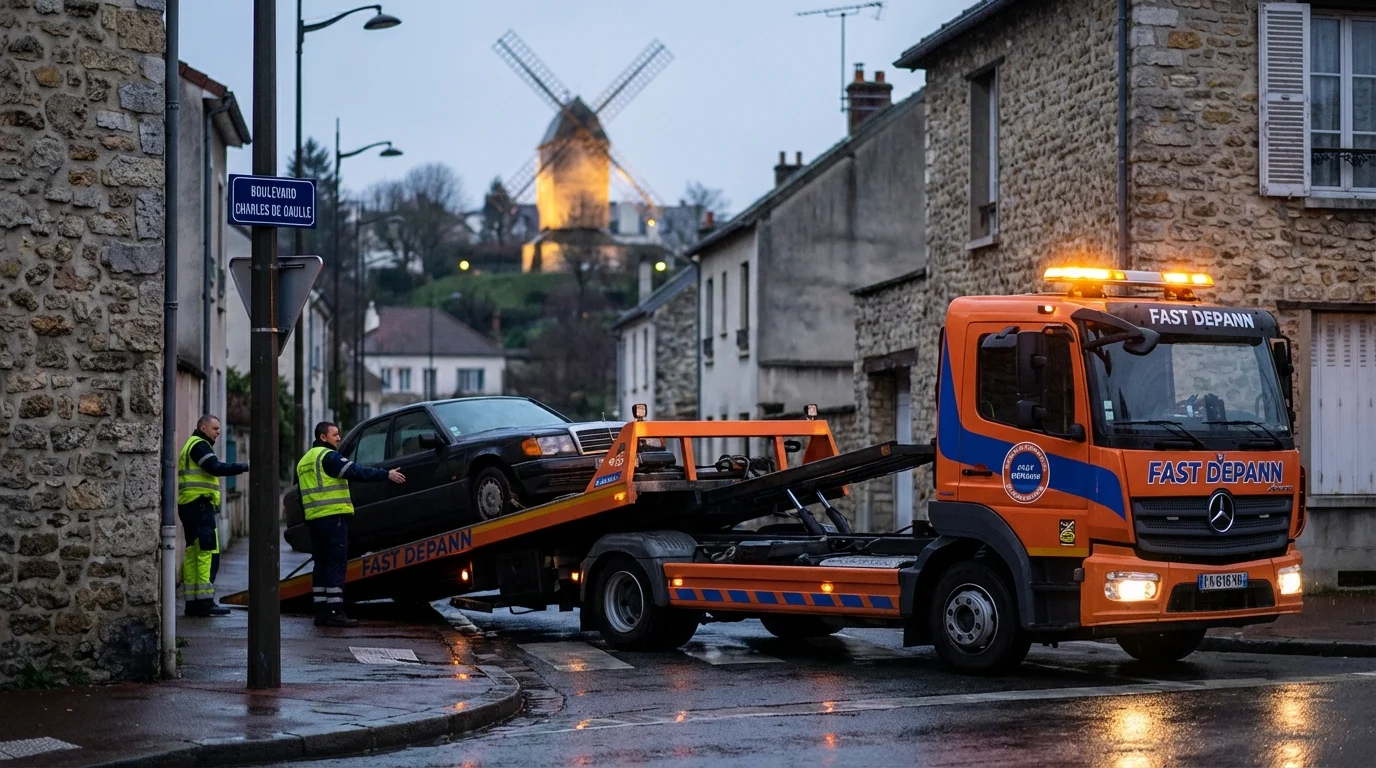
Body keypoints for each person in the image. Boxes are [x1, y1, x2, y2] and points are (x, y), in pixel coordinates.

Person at [297, 421, 405, 627]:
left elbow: (301, 495)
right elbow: (356, 471)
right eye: (335, 434)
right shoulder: (329, 457)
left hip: (314, 520)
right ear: (323, 438)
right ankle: (335, 611)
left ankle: (321, 612)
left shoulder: (304, 461)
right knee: (336, 564)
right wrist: (386, 474)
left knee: (320, 565)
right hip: (333, 518)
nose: (339, 438)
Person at [178, 414, 249, 617]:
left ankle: (193, 602)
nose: (218, 433)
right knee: (205, 553)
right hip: (199, 506)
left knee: (193, 553)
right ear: (203, 428)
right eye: (215, 428)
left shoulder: (191, 444)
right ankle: (205, 602)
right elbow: (215, 468)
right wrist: (244, 466)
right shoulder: (199, 445)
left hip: (191, 505)